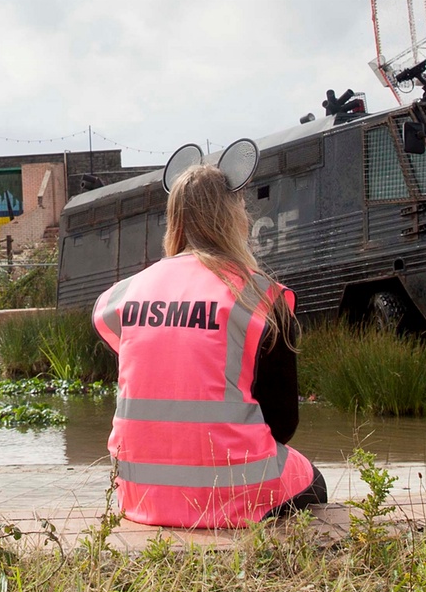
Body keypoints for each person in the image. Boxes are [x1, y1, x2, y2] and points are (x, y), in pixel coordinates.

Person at [91, 163, 325, 528]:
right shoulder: (259, 296)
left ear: (174, 219)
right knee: (314, 479)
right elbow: (282, 426)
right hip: (233, 493)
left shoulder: (123, 296)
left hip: (140, 493)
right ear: (234, 218)